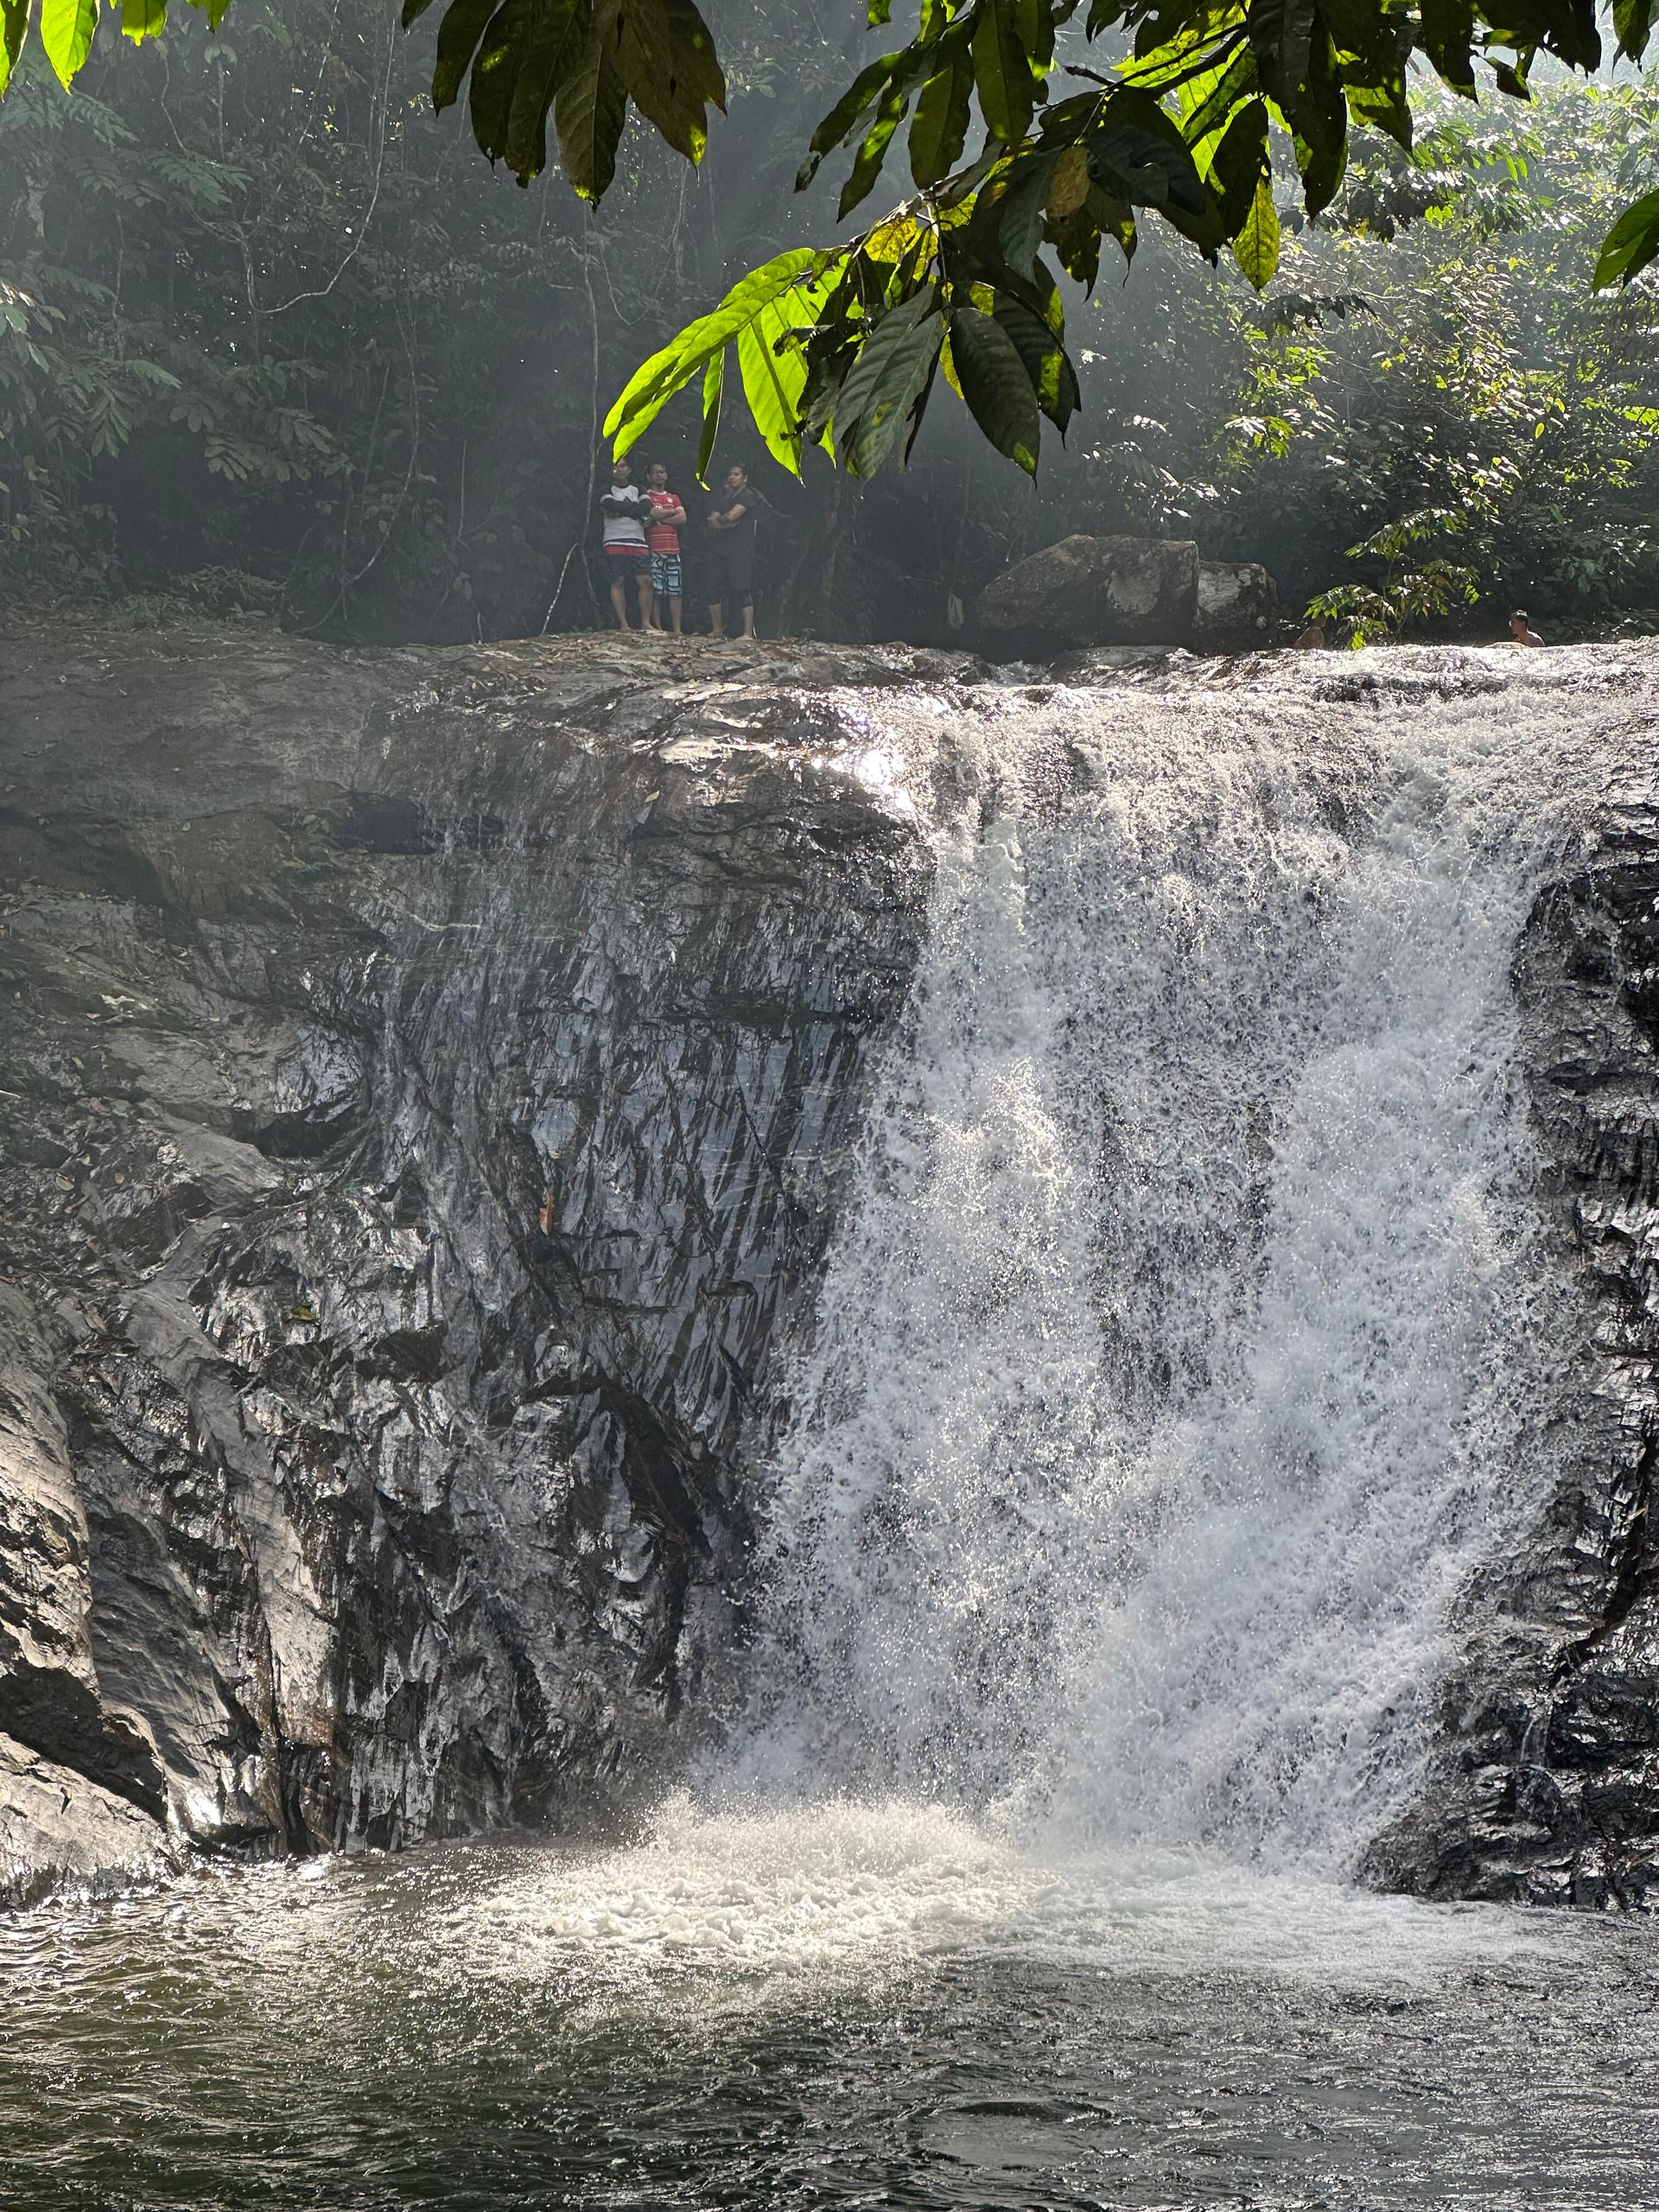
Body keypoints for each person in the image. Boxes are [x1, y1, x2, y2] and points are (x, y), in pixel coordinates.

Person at [599, 458, 653, 632]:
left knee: (645, 580)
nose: (619, 470)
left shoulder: (639, 489)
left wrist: (624, 509)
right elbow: (610, 505)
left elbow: (646, 507)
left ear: (629, 469)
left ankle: (646, 623)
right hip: (614, 538)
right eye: (615, 466)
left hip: (638, 539)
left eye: (622, 466)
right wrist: (634, 509)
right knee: (618, 580)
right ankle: (624, 624)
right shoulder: (606, 489)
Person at [705, 461, 758, 639]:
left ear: (745, 478)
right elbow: (713, 521)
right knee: (713, 586)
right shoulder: (725, 499)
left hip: (740, 550)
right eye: (730, 474)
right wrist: (727, 524)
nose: (732, 477)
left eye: (736, 474)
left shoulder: (748, 496)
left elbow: (731, 516)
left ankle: (747, 632)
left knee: (742, 589)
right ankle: (717, 630)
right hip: (720, 549)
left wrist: (725, 520)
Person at [645, 461, 687, 636]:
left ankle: (677, 629)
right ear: (649, 476)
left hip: (673, 550)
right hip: (654, 549)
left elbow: (683, 518)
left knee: (675, 590)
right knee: (656, 591)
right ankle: (658, 627)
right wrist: (671, 513)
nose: (659, 475)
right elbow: (651, 513)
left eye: (662, 471)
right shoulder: (646, 497)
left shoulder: (673, 497)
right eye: (655, 472)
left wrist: (660, 518)